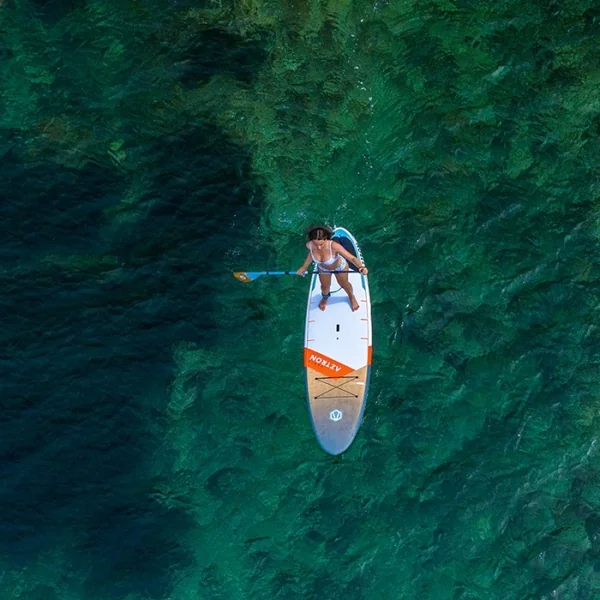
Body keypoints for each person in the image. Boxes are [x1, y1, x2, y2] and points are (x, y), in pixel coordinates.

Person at [296, 225, 368, 311]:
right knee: (324, 287)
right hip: (323, 269)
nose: (318, 247)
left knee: (344, 284)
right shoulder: (310, 245)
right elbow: (311, 254)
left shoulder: (334, 246)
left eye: (321, 244)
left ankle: (351, 296)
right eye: (315, 244)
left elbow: (351, 258)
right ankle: (325, 298)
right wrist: (304, 267)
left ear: (326, 239)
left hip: (339, 267)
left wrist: (361, 267)